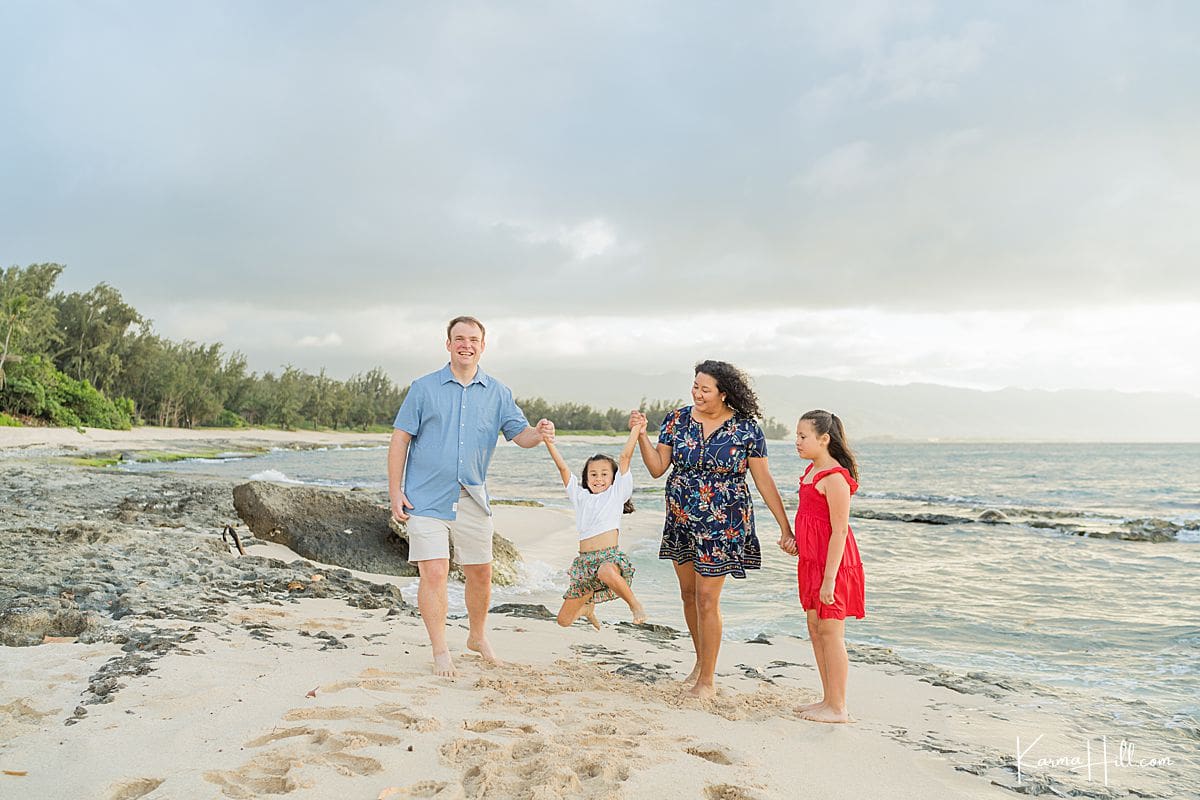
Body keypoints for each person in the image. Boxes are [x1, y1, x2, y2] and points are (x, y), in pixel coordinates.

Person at [388, 316, 555, 677]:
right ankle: (440, 649)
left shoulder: (498, 392)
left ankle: (477, 637)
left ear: (483, 345)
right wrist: (395, 491)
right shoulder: (424, 388)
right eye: (459, 338)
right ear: (447, 344)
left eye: (473, 339)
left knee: (481, 573)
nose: (466, 345)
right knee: (434, 572)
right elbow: (400, 439)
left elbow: (520, 435)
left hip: (473, 497)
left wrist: (539, 433)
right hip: (424, 499)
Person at [630, 360, 793, 699]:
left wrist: (785, 527)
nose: (697, 393)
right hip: (681, 518)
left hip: (724, 522)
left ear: (724, 393)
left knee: (707, 598)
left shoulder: (746, 428)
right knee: (688, 595)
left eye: (705, 389)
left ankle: (707, 681)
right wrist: (642, 436)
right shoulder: (676, 420)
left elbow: (763, 480)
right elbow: (658, 468)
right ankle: (701, 663)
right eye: (695, 386)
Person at [792, 409, 866, 724]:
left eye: (802, 436)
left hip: (832, 567)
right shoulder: (811, 472)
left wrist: (829, 581)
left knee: (832, 632)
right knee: (815, 629)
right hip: (811, 562)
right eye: (796, 435)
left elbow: (838, 531)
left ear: (824, 439)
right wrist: (797, 542)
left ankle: (838, 707)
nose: (796, 441)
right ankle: (826, 698)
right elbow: (813, 521)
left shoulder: (835, 477)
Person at [543, 422, 648, 629]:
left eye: (604, 474)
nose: (598, 478)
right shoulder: (580, 496)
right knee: (563, 621)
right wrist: (548, 441)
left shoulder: (616, 494)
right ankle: (587, 607)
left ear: (613, 477)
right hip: (584, 564)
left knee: (606, 573)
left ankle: (635, 605)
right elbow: (563, 468)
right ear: (586, 477)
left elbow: (625, 457)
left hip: (608, 558)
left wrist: (636, 428)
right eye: (593, 474)